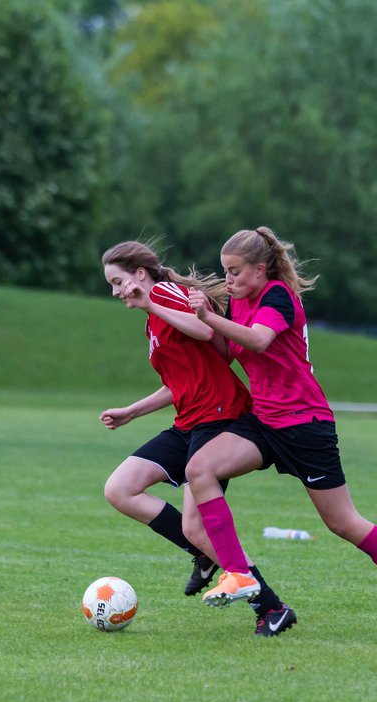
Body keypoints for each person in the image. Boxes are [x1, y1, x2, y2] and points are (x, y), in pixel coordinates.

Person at [183, 227, 377, 638]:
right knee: (200, 469)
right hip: (266, 421)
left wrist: (209, 316)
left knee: (344, 523)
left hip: (306, 425)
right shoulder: (239, 302)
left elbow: (257, 341)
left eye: (235, 271)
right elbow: (229, 350)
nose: (229, 280)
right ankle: (239, 574)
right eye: (225, 271)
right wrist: (184, 317)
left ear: (260, 268)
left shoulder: (277, 296)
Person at [98, 240, 296, 637]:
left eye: (119, 282)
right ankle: (203, 554)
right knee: (120, 489)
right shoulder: (153, 315)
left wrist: (151, 304)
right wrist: (131, 412)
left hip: (220, 417)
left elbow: (205, 329)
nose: (117, 292)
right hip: (189, 421)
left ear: (140, 274)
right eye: (112, 286)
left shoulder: (164, 295)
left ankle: (271, 607)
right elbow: (180, 382)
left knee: (197, 526)